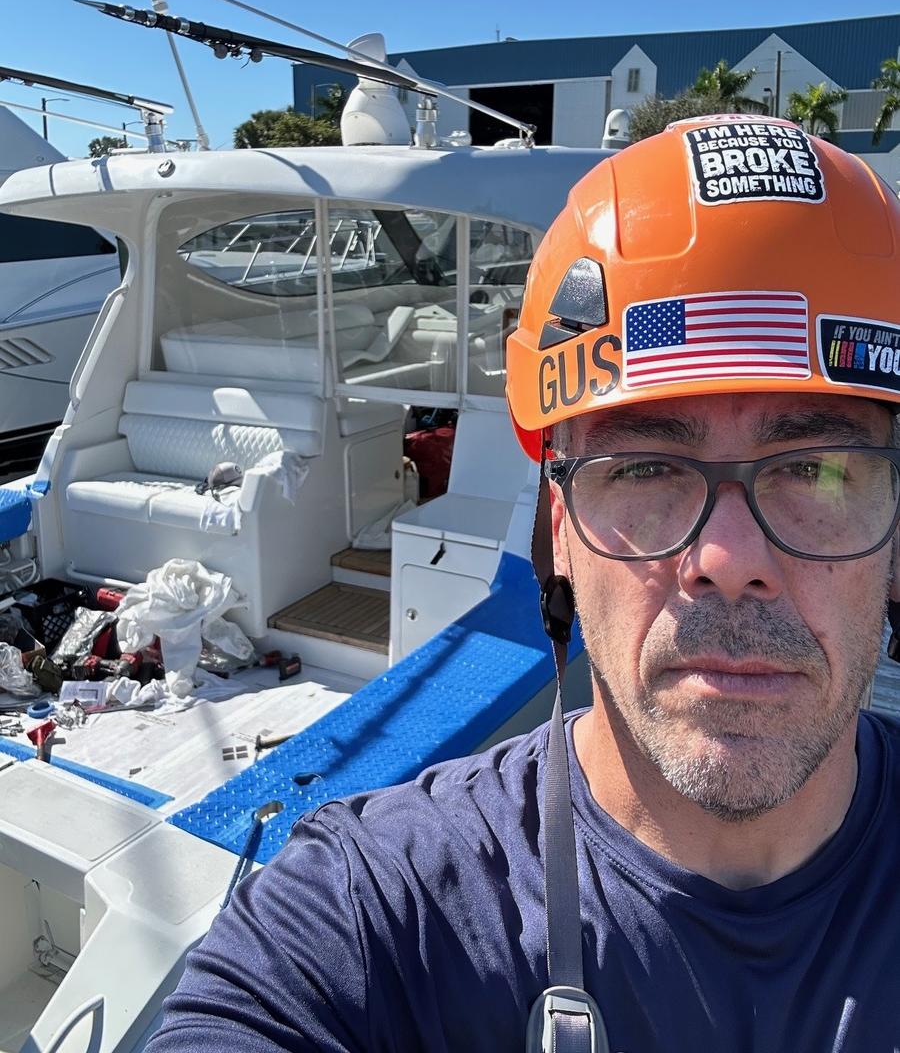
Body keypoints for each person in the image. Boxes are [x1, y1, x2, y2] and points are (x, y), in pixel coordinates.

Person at [148, 116, 900, 1051]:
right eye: (645, 469)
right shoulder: (372, 911)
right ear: (561, 531)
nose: (729, 557)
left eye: (817, 470)